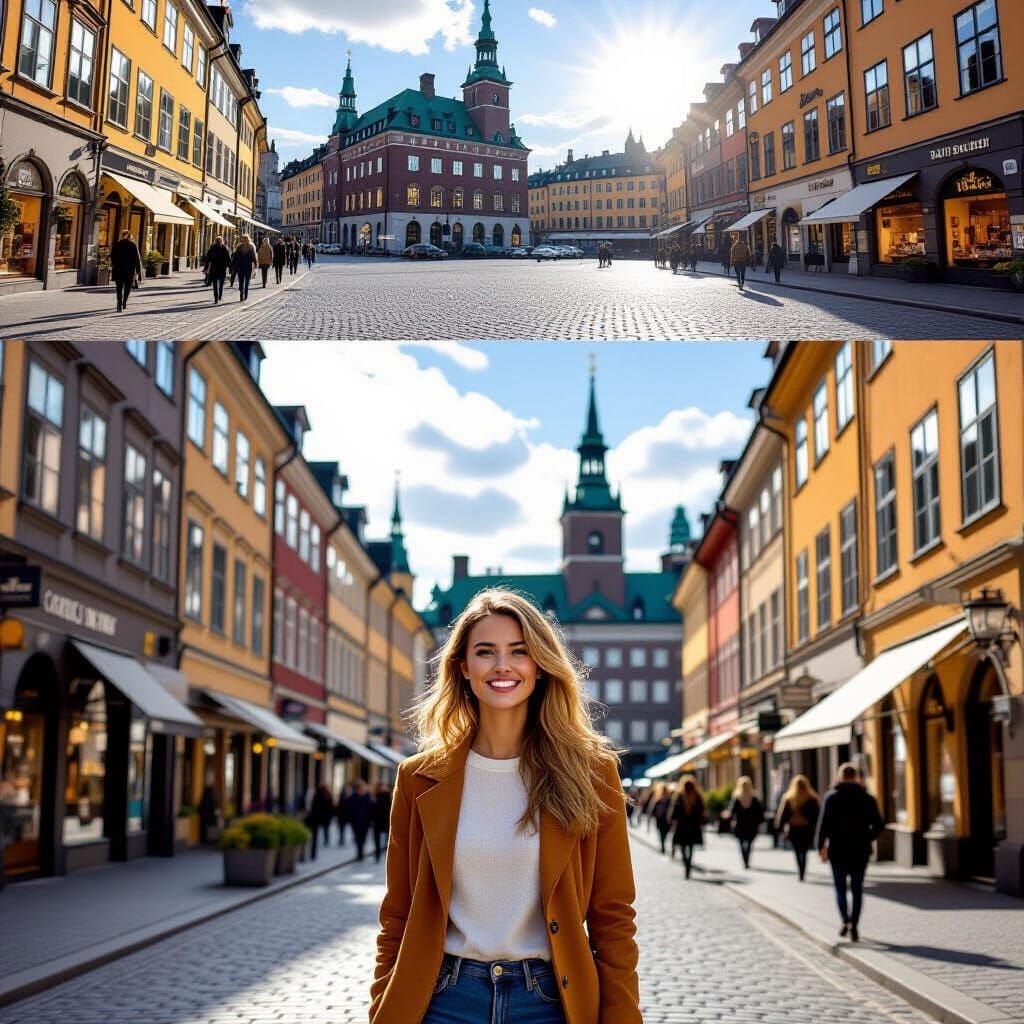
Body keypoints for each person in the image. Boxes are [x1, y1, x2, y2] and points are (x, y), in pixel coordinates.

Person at [370, 589, 642, 1024]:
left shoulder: (592, 774)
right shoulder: (418, 778)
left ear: (539, 665)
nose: (502, 665)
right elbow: (397, 917)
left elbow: (613, 918)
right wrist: (382, 1007)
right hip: (443, 1000)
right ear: (462, 667)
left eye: (519, 651)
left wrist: (623, 1016)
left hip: (550, 1002)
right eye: (485, 652)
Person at [815, 763, 883, 942]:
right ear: (856, 778)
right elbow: (879, 825)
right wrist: (867, 837)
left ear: (840, 777)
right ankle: (855, 924)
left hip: (837, 850)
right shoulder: (867, 798)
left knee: (840, 888)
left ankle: (845, 920)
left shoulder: (831, 798)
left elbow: (823, 826)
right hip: (860, 850)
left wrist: (820, 847)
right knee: (857, 889)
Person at [775, 774, 820, 881]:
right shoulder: (811, 798)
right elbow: (817, 815)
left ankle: (800, 871)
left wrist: (780, 828)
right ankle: (802, 870)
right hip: (806, 829)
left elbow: (783, 815)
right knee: (804, 851)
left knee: (797, 850)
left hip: (794, 828)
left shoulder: (789, 798)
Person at [669, 775, 704, 879]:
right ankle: (689, 862)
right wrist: (701, 823)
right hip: (693, 826)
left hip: (682, 826)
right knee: (691, 846)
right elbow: (701, 812)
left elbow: (674, 811)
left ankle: (686, 863)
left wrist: (672, 822)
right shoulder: (697, 796)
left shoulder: (679, 795)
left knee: (683, 846)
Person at [728, 776, 763, 869]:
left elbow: (732, 811)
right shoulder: (745, 797)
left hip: (744, 824)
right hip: (747, 824)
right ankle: (746, 859)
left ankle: (745, 859)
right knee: (747, 843)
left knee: (744, 843)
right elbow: (759, 813)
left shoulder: (742, 797)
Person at [110, 229, 143, 313]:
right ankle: (124, 302)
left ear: (122, 235)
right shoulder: (132, 245)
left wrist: (114, 265)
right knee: (127, 287)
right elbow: (136, 259)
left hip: (118, 269)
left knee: (119, 287)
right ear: (129, 236)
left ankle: (119, 303)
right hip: (129, 270)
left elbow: (112, 256)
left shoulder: (117, 244)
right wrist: (138, 271)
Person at [308, 782, 334, 858]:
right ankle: (324, 842)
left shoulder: (322, 795)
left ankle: (314, 853)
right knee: (323, 831)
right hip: (320, 818)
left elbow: (314, 807)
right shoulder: (325, 795)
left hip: (318, 818)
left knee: (318, 835)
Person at [349, 778, 372, 860]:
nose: (362, 788)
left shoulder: (367, 797)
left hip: (365, 823)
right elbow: (350, 810)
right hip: (355, 822)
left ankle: (360, 853)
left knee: (363, 838)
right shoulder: (353, 797)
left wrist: (370, 821)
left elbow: (371, 810)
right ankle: (360, 853)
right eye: (361, 787)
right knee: (357, 839)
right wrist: (351, 820)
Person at [204, 235, 231, 304]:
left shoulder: (212, 248)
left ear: (215, 241)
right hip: (222, 268)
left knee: (215, 284)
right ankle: (220, 296)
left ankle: (216, 298)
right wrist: (230, 266)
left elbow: (208, 259)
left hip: (214, 268)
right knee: (221, 283)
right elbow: (228, 258)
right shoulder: (224, 248)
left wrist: (206, 268)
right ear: (222, 241)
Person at [231, 234, 257, 301]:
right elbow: (254, 257)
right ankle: (244, 293)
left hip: (242, 266)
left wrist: (233, 265)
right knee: (246, 281)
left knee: (242, 281)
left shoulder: (240, 247)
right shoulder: (249, 247)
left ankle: (242, 293)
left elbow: (235, 257)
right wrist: (255, 264)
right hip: (246, 266)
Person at [372, 781, 392, 862]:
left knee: (388, 841)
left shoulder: (388, 797)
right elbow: (373, 809)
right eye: (382, 786)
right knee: (377, 840)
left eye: (385, 786)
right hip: (377, 822)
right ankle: (377, 856)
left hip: (387, 821)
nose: (383, 788)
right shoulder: (375, 796)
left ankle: (388, 856)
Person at [652, 782, 673, 854]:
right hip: (660, 820)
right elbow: (653, 811)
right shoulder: (658, 800)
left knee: (666, 834)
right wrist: (656, 814)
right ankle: (663, 846)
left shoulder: (670, 800)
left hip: (667, 820)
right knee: (661, 834)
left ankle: (664, 845)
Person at [336, 782, 353, 846]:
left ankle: (342, 839)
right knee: (341, 828)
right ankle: (341, 839)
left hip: (346, 815)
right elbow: (339, 806)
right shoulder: (342, 795)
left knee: (344, 828)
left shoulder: (350, 796)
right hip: (341, 815)